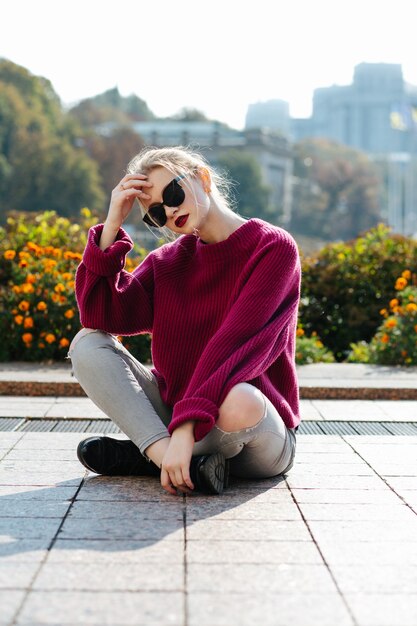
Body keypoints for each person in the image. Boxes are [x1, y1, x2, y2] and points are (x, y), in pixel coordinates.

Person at [68, 145, 301, 496]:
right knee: (88, 343)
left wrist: (185, 426)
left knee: (239, 400)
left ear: (202, 178)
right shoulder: (167, 262)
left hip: (255, 433)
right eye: (156, 214)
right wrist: (112, 223)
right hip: (180, 420)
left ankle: (149, 456)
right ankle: (170, 460)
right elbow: (101, 314)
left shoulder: (272, 248)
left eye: (173, 193)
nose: (171, 210)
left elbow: (234, 345)